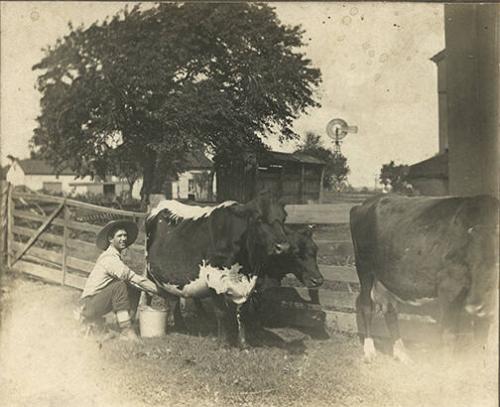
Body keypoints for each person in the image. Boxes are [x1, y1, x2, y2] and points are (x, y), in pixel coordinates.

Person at [78, 219, 160, 341]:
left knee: (133, 287)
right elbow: (134, 278)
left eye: (125, 235)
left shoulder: (115, 256)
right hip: (88, 305)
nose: (123, 239)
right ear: (111, 239)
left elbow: (134, 282)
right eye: (119, 236)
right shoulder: (110, 258)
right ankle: (126, 329)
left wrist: (147, 288)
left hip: (97, 302)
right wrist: (159, 290)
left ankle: (128, 324)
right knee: (120, 286)